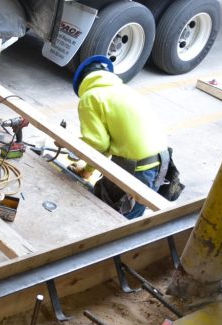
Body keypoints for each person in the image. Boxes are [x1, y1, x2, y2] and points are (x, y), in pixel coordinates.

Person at [71, 55, 181, 219]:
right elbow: (109, 144)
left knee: (107, 219)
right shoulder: (124, 91)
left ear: (82, 83)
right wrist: (87, 170)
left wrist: (70, 146)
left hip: (138, 169)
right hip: (162, 163)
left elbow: (98, 144)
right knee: (127, 221)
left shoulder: (90, 97)